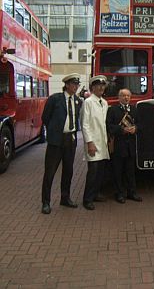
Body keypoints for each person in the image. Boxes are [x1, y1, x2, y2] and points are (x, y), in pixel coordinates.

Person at [41, 73, 82, 214]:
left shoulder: (77, 101)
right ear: (67, 85)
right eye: (74, 84)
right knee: (50, 172)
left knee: (68, 171)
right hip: (56, 140)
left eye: (77, 84)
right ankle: (46, 202)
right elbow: (45, 117)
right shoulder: (55, 99)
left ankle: (65, 198)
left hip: (70, 140)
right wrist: (54, 131)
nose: (76, 87)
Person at [106, 88, 142, 204]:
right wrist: (122, 130)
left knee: (130, 171)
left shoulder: (134, 109)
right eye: (123, 96)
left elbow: (141, 124)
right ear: (119, 97)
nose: (126, 98)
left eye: (128, 96)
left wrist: (135, 128)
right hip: (118, 145)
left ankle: (132, 193)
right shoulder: (113, 110)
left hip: (131, 146)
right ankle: (119, 194)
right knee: (118, 171)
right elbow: (109, 126)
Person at [81, 75, 110, 210]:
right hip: (93, 142)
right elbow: (85, 124)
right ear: (92, 88)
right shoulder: (88, 102)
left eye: (103, 86)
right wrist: (89, 143)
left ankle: (96, 193)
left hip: (102, 142)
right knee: (92, 172)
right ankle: (87, 199)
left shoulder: (104, 102)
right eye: (98, 86)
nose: (101, 88)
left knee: (101, 172)